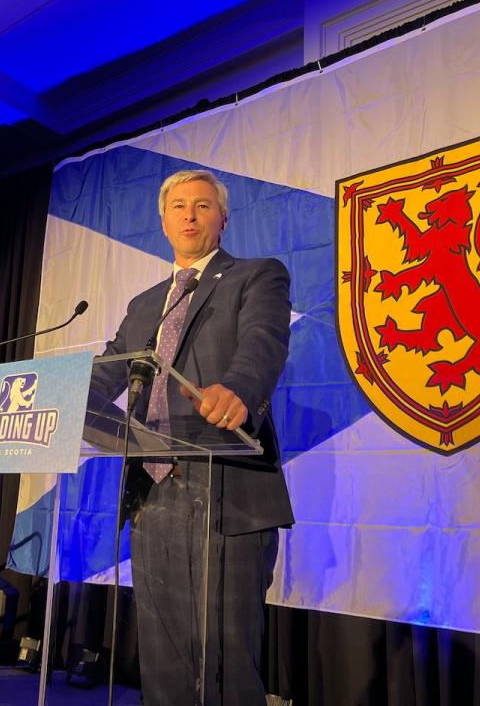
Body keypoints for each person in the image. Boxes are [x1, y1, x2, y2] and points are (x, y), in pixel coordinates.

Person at [91, 170, 294, 705]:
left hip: (225, 491)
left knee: (224, 664)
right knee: (163, 664)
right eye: (178, 205)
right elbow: (107, 373)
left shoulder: (256, 276)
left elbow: (263, 342)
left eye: (202, 206)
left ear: (222, 218)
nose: (189, 214)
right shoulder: (144, 304)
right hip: (152, 494)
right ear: (163, 220)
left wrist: (239, 388)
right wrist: (53, 397)